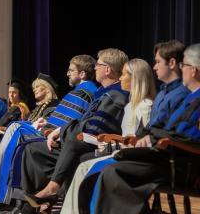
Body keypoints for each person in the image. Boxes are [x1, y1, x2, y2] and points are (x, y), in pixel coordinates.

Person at [62, 40, 190, 214]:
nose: (155, 67)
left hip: (167, 160)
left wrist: (147, 139)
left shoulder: (181, 96)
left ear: (173, 63)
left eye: (158, 62)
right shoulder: (162, 94)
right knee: (87, 163)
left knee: (101, 170)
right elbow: (150, 130)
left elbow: (173, 133)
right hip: (150, 152)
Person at [21, 48, 129, 213]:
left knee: (68, 142)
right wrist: (61, 131)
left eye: (98, 65)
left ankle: (49, 193)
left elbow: (94, 128)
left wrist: (63, 132)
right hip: (81, 140)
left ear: (107, 69)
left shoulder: (115, 95)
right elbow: (84, 122)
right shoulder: (102, 93)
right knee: (33, 150)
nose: (95, 69)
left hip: (97, 144)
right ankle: (38, 202)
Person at [60, 58, 156, 214]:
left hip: (133, 156)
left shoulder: (146, 106)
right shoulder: (130, 106)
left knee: (85, 165)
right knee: (81, 158)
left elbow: (140, 140)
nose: (121, 78)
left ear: (135, 79)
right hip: (121, 150)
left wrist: (116, 145)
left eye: (125, 75)